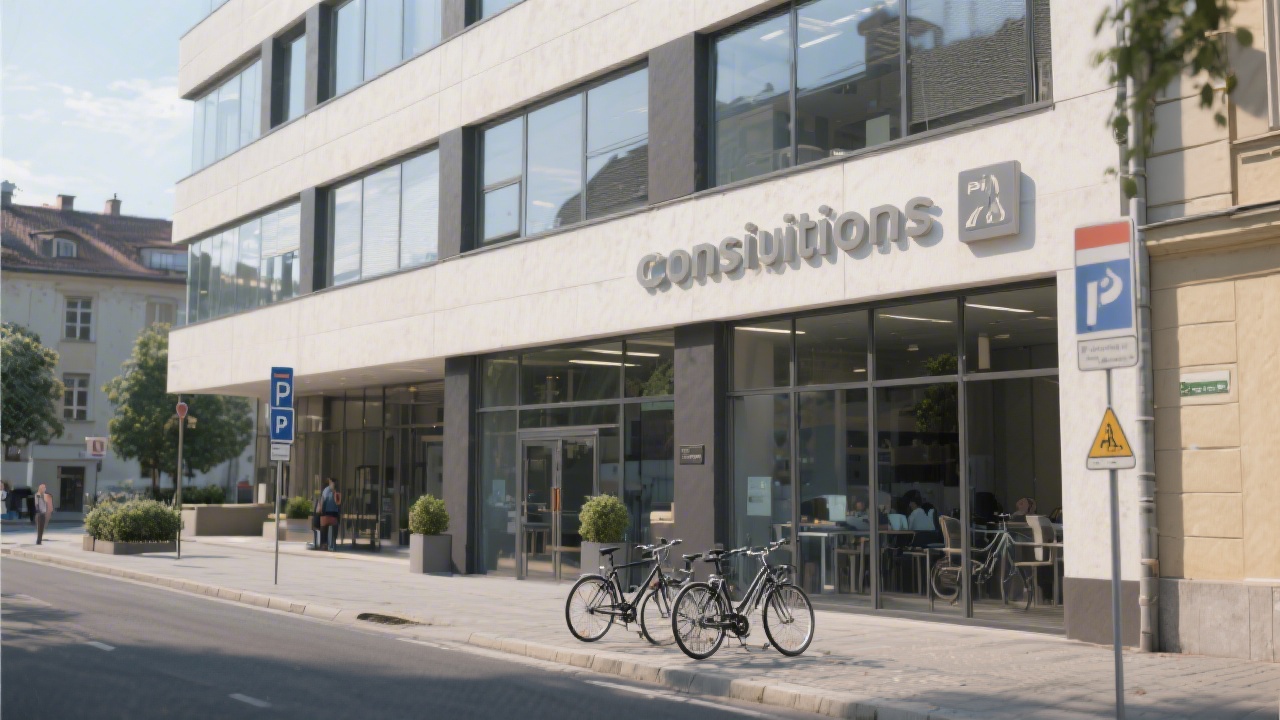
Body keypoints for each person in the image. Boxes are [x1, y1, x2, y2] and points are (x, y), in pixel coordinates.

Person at [319, 478, 341, 551]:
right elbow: (338, 503)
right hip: (334, 514)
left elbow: (322, 501)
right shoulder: (337, 491)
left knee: (323, 527)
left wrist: (321, 511)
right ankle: (333, 542)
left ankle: (324, 544)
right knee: (335, 526)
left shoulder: (326, 490)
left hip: (326, 513)